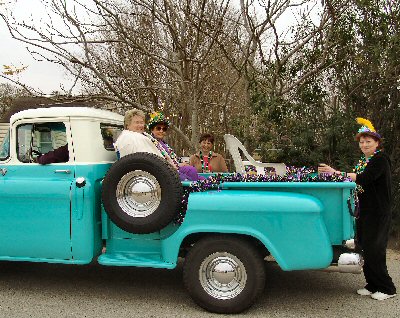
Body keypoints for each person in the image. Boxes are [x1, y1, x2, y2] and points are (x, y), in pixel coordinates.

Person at [318, 117, 397, 301]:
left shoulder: (380, 159)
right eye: (362, 142)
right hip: (365, 211)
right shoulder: (364, 160)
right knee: (364, 247)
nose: (364, 145)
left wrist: (336, 173)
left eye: (368, 141)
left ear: (377, 142)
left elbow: (365, 178)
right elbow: (358, 178)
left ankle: (387, 288)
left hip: (378, 212)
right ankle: (372, 284)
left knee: (375, 249)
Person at [147, 111, 203, 181]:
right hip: (164, 171)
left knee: (196, 173)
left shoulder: (163, 143)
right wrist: (178, 165)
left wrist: (180, 164)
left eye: (164, 129)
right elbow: (160, 160)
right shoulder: (150, 142)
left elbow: (172, 158)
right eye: (158, 128)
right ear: (152, 129)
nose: (161, 131)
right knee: (190, 172)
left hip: (174, 168)